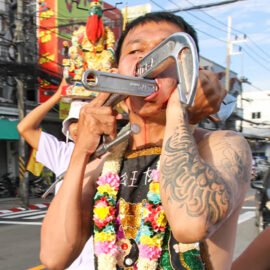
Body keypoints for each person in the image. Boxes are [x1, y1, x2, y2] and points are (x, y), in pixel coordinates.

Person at [40, 12, 251, 270]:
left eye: (166, 49)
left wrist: (178, 108)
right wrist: (81, 151)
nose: (148, 60)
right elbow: (53, 256)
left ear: (190, 71)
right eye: (135, 50)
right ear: (117, 76)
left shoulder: (222, 146)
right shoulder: (105, 165)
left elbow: (190, 223)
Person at [17, 79, 94, 269]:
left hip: (100, 247)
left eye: (83, 122)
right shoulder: (61, 152)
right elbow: (24, 128)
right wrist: (57, 96)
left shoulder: (112, 153)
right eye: (73, 123)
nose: (77, 128)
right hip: (68, 250)